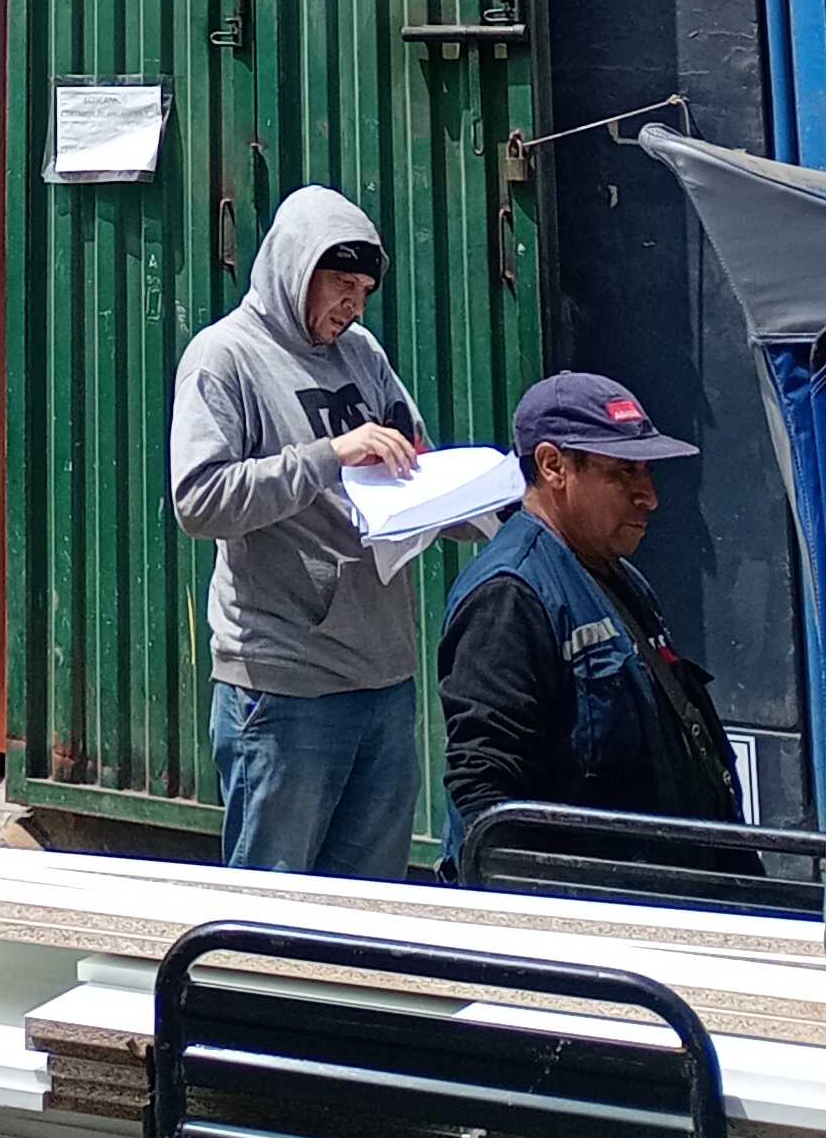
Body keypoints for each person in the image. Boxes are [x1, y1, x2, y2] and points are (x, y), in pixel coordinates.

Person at [170, 186, 429, 880]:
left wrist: (475, 501)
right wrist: (328, 457)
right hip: (284, 685)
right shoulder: (224, 357)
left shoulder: (363, 353)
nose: (354, 306)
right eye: (341, 284)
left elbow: (414, 457)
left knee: (371, 907)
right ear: (295, 266)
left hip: (385, 675)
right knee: (273, 911)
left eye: (365, 291)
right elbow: (199, 501)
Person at [439, 370, 743, 860]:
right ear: (553, 466)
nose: (649, 496)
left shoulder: (618, 575)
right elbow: (487, 801)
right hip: (587, 900)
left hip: (671, 884)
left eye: (646, 471)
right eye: (624, 472)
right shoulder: (509, 595)